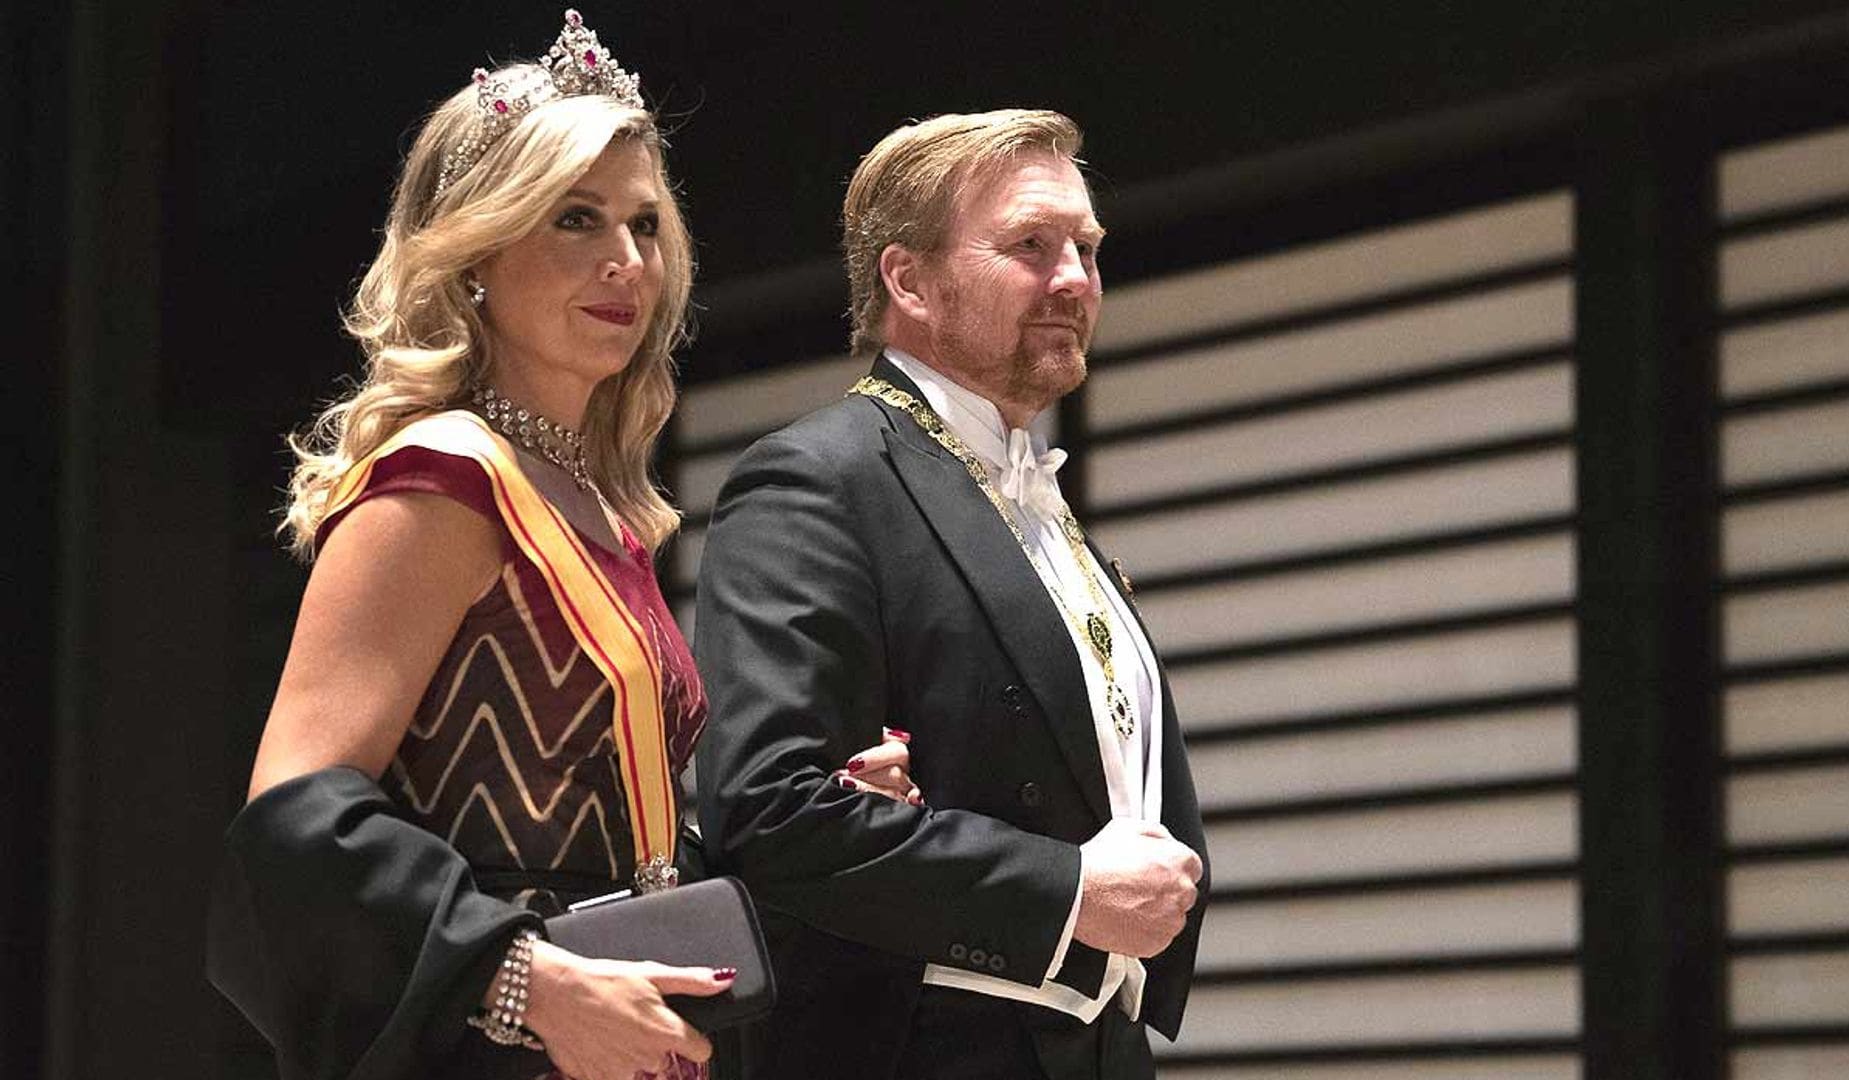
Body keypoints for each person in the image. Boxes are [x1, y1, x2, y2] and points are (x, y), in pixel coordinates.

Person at [204, 11, 916, 1080]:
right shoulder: (445, 473)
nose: (625, 260)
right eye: (576, 220)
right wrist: (522, 979)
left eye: (644, 225)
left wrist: (819, 814)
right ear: (478, 249)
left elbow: (622, 848)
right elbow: (296, 819)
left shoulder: (597, 507)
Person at [694, 110, 1208, 1080]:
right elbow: (768, 808)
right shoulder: (817, 479)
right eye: (1030, 245)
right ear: (909, 279)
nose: (1076, 279)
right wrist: (1070, 891)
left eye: (1087, 248)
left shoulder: (1041, 499)